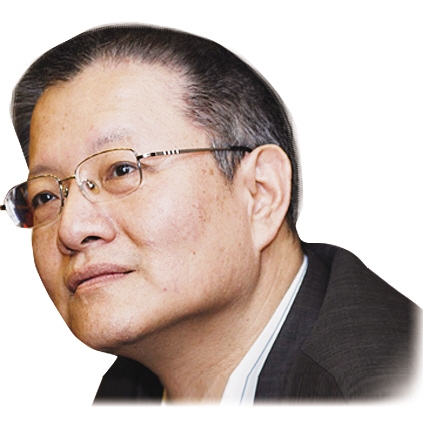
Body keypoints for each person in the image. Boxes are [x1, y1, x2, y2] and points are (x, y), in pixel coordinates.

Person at [0, 24, 420, 403]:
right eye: (44, 196)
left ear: (261, 193)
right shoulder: (127, 391)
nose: (71, 228)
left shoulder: (386, 390)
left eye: (122, 170)